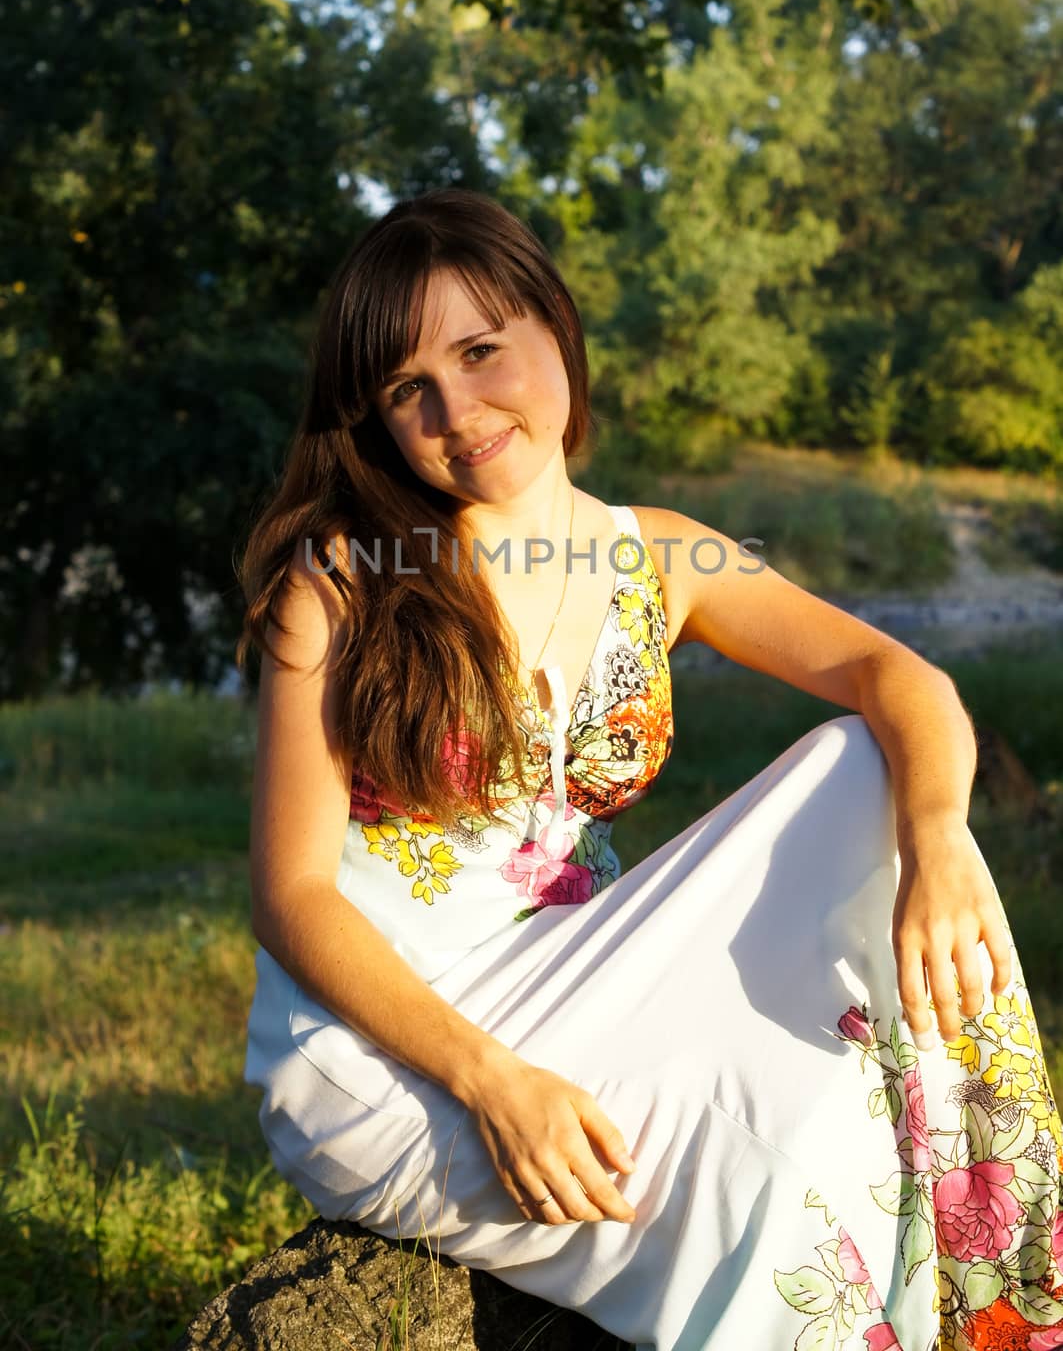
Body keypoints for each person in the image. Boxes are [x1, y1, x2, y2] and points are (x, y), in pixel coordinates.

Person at [237, 187, 1063, 1350]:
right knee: (776, 1179)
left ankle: (1000, 1304)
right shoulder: (343, 583)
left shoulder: (656, 554)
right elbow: (291, 898)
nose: (456, 409)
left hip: (588, 991)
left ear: (552, 324)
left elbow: (904, 679)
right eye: (406, 390)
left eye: (480, 353)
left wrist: (938, 838)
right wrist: (493, 1084)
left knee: (861, 812)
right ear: (373, 420)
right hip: (387, 1049)